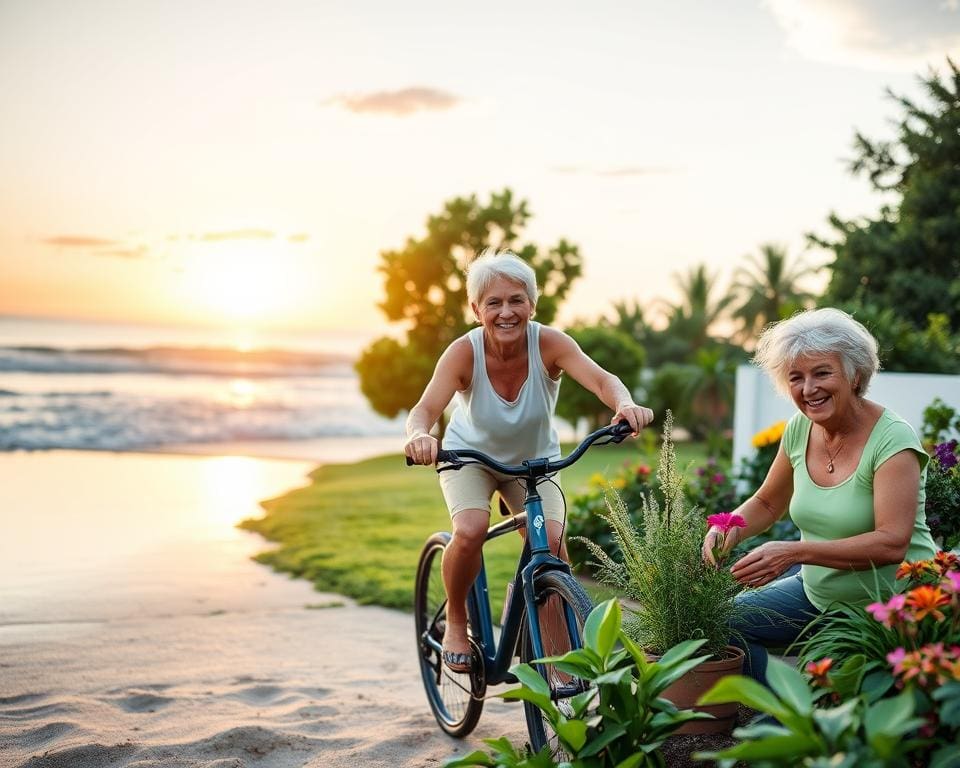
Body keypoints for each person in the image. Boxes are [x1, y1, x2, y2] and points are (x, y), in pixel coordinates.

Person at [405, 249, 654, 672]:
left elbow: (600, 379)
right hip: (470, 458)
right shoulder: (463, 353)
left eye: (516, 299)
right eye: (494, 302)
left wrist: (625, 404)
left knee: (553, 546)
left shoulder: (550, 343)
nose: (506, 312)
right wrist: (418, 436)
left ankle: (559, 664)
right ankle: (457, 623)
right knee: (470, 530)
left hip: (534, 464)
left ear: (532, 304)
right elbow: (425, 409)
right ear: (476, 308)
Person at [702, 307, 937, 686]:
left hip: (889, 607)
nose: (809, 389)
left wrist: (793, 552)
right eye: (796, 377)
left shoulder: (893, 439)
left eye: (822, 373)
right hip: (815, 594)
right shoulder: (800, 429)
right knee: (719, 622)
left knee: (842, 692)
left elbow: (893, 542)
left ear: (855, 374)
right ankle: (781, 709)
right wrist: (725, 527)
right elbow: (767, 503)